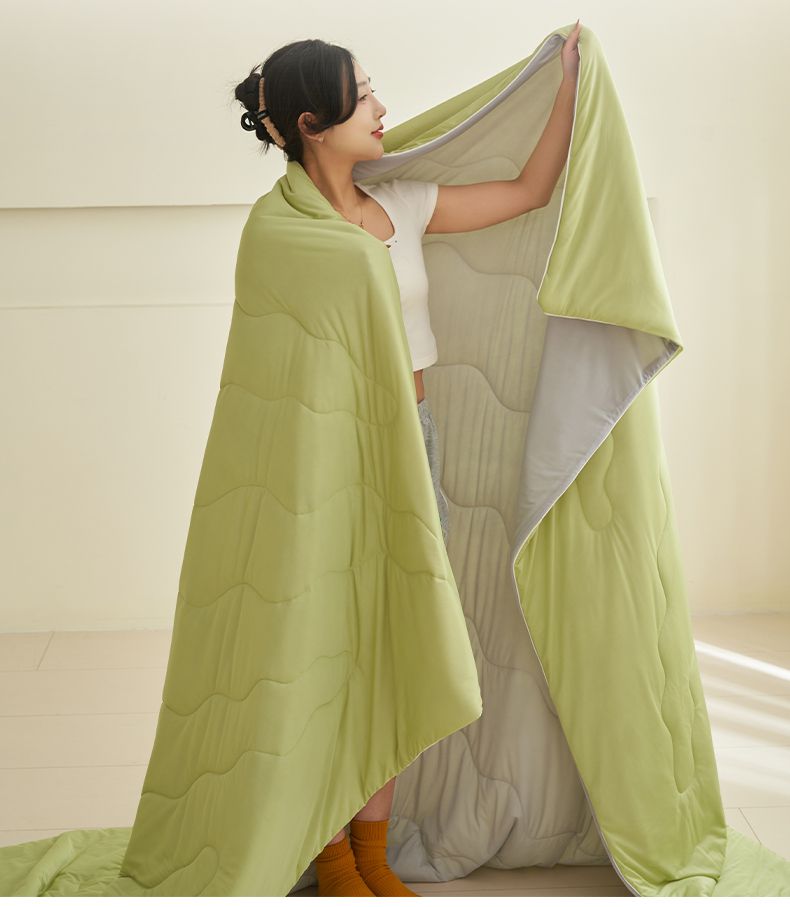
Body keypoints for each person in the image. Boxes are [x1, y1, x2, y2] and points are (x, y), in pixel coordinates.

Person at [232, 28, 580, 897]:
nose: (383, 107)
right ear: (312, 122)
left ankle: (373, 850)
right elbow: (272, 376)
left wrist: (569, 81)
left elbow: (530, 190)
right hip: (330, 461)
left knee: (401, 650)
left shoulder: (408, 205)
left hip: (412, 446)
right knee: (333, 657)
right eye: (364, 96)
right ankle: (329, 853)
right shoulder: (283, 232)